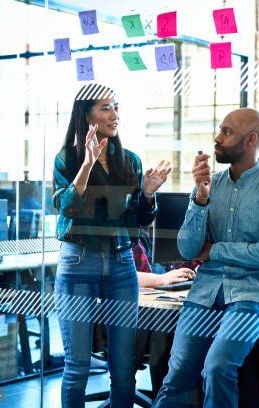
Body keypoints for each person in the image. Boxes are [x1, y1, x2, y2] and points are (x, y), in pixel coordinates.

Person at [152, 108, 259, 408]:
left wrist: (213, 250)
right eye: (220, 130)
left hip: (252, 291)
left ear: (251, 139)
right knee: (177, 373)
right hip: (206, 290)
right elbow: (188, 249)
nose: (217, 138)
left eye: (227, 132)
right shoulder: (211, 184)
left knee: (217, 368)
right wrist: (200, 198)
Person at [52, 83, 171, 408]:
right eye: (106, 108)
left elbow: (138, 221)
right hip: (79, 263)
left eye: (116, 106)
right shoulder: (68, 159)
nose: (114, 114)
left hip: (121, 265)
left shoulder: (129, 161)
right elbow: (68, 208)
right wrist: (87, 165)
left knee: (123, 370)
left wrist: (147, 193)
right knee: (76, 368)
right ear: (86, 114)